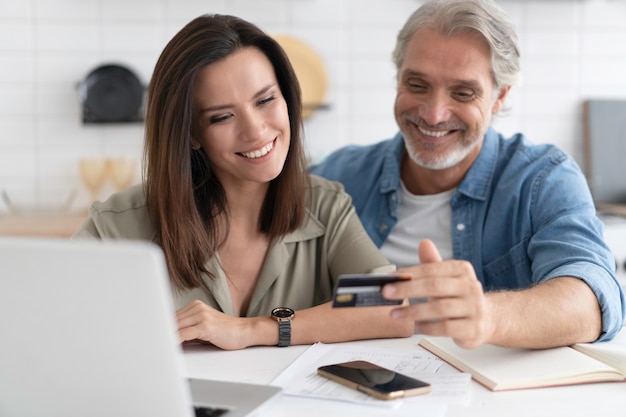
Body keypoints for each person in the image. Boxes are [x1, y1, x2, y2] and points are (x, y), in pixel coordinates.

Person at [72, 14, 414, 350]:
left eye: (266, 100)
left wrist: (251, 330)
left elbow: (391, 311)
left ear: (287, 99)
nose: (255, 131)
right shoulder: (115, 226)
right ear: (191, 134)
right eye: (221, 117)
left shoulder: (327, 206)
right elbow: (43, 322)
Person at [311, 0, 625, 350]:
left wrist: (488, 317)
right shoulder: (338, 176)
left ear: (498, 97)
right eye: (416, 85)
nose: (433, 114)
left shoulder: (544, 180)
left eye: (462, 93)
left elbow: (592, 300)